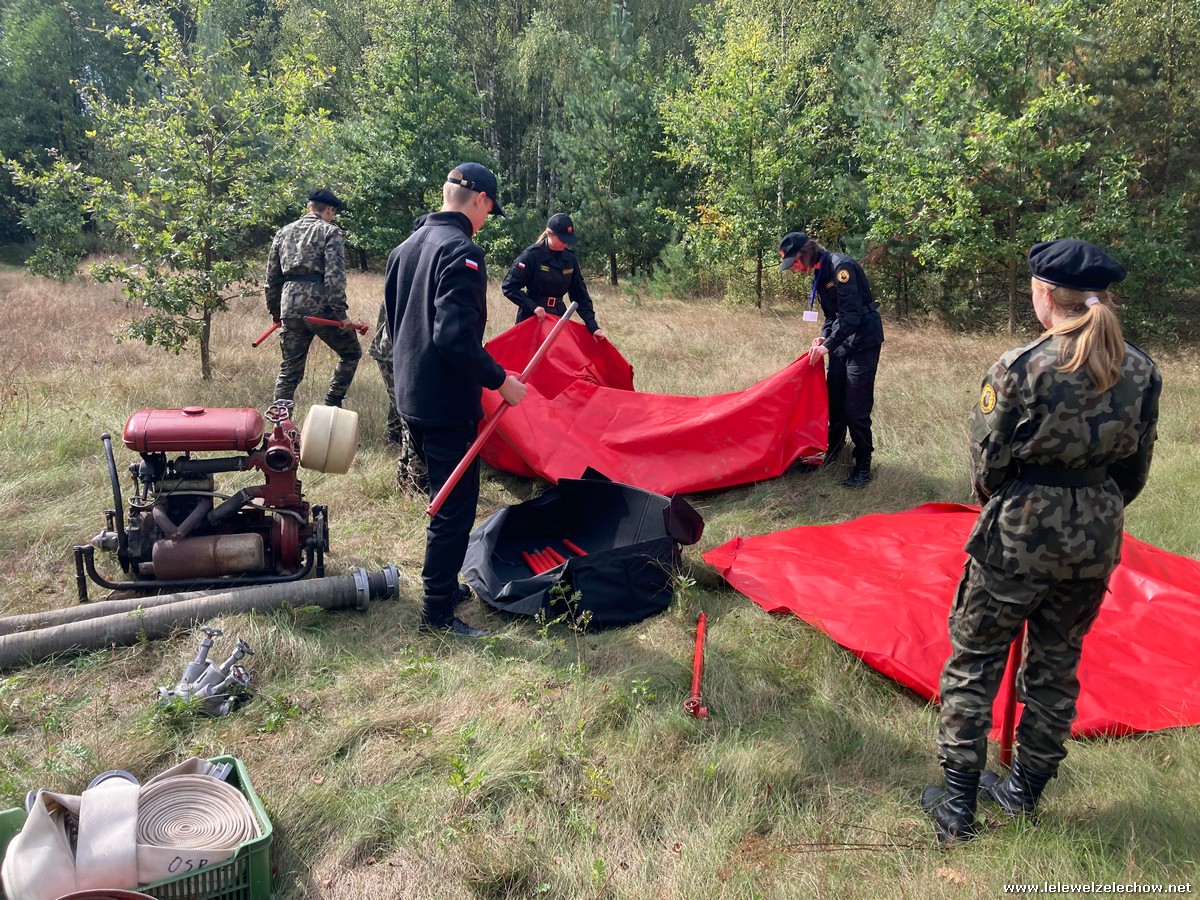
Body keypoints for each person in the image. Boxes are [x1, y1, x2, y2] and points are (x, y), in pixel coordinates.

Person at [921, 239, 1161, 845]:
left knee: (975, 659)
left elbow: (987, 468)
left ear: (1045, 294)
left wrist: (1022, 502)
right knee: (1057, 663)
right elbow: (1134, 471)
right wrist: (1090, 506)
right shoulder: (1141, 369)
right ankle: (1024, 792)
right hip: (1095, 535)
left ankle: (957, 806)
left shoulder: (1020, 366)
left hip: (1018, 535)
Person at [383, 162, 527, 637]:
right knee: (454, 508)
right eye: (489, 210)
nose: (486, 220)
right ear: (481, 200)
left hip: (411, 395)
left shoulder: (405, 247)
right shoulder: (462, 252)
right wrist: (500, 381)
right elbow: (454, 339)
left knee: (441, 495)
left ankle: (444, 583)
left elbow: (397, 325)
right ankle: (437, 613)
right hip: (445, 403)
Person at [780, 232, 884, 488]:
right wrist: (823, 336)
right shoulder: (820, 273)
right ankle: (834, 454)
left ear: (806, 253)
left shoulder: (841, 268)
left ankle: (862, 466)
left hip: (862, 342)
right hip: (841, 343)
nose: (794, 268)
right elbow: (831, 316)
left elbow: (852, 317)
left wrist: (827, 345)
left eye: (795, 261)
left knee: (856, 408)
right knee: (835, 402)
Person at [265, 188, 362, 407]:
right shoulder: (331, 232)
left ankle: (281, 421)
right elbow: (335, 276)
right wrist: (341, 314)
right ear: (329, 210)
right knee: (351, 353)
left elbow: (272, 278)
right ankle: (331, 404)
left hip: (290, 305)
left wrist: (276, 313)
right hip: (321, 307)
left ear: (309, 207)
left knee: (289, 368)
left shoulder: (283, 232)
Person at [502, 213, 606, 341]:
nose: (565, 243)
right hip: (533, 317)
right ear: (549, 233)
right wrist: (533, 307)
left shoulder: (570, 258)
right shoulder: (531, 255)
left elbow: (579, 294)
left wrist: (593, 326)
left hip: (558, 316)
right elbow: (509, 286)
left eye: (568, 240)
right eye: (562, 239)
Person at [367, 302, 429, 494]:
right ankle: (417, 482)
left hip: (393, 351)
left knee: (404, 414)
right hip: (400, 355)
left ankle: (406, 478)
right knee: (413, 418)